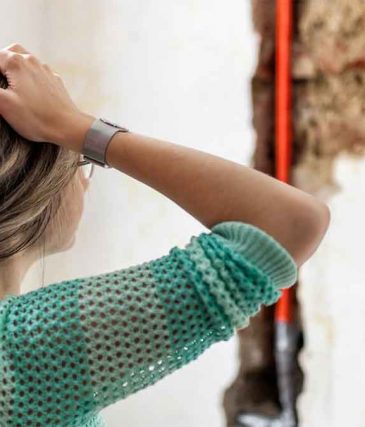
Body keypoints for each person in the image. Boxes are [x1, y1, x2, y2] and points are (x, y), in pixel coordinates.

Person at [0, 43, 330, 427]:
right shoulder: (27, 350)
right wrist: (75, 126)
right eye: (82, 161)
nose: (85, 183)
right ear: (30, 186)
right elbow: (292, 222)